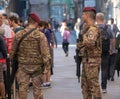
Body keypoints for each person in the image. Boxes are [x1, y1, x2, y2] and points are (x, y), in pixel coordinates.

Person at [10, 13, 51, 99]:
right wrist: (47, 67)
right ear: (36, 23)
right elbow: (45, 53)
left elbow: (12, 52)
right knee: (37, 91)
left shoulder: (19, 35)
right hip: (37, 68)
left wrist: (13, 63)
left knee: (22, 90)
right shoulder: (40, 35)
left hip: (22, 67)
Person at [78, 7, 102, 99]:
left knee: (93, 86)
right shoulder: (86, 29)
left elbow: (90, 43)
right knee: (85, 86)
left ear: (87, 15)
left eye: (83, 14)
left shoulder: (92, 29)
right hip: (86, 60)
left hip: (92, 62)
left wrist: (83, 35)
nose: (82, 16)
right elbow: (80, 45)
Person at [96, 12, 113, 93]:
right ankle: (104, 87)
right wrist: (111, 49)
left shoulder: (94, 28)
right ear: (103, 19)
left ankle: (95, 86)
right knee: (104, 69)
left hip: (95, 53)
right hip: (106, 52)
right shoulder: (108, 28)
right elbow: (112, 39)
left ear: (97, 19)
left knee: (96, 69)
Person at [0, 27, 7, 99]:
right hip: (0, 59)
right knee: (1, 79)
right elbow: (4, 49)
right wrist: (5, 56)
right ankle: (3, 96)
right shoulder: (0, 38)